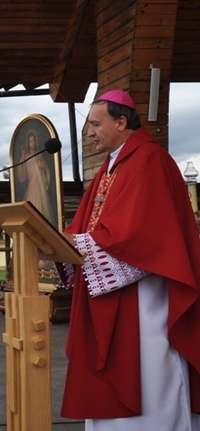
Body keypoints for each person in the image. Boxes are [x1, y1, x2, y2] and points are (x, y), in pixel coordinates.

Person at [59, 90, 200, 430]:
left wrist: (80, 243)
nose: (89, 133)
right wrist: (62, 243)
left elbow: (143, 236)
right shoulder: (108, 170)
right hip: (112, 294)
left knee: (150, 372)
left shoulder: (150, 160)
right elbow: (85, 228)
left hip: (145, 297)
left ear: (121, 122)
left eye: (95, 124)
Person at [15, 130, 55, 224]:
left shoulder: (39, 154)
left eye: (33, 141)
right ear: (28, 143)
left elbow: (45, 169)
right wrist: (23, 155)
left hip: (40, 187)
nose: (32, 143)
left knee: (42, 212)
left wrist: (43, 166)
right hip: (32, 187)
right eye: (30, 141)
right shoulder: (26, 157)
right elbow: (22, 175)